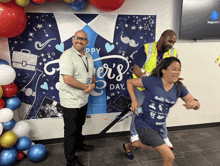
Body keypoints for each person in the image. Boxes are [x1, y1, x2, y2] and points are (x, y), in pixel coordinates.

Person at [123, 57, 200, 165]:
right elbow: (130, 82)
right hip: (143, 123)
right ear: (163, 70)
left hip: (157, 126)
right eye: (174, 69)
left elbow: (194, 102)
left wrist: (195, 104)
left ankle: (127, 146)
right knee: (169, 157)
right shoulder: (152, 81)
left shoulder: (179, 87)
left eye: (179, 70)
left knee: (143, 145)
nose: (177, 72)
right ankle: (130, 145)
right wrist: (134, 101)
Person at [130, 30, 178, 149]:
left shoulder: (173, 52)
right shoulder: (146, 48)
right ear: (162, 38)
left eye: (174, 42)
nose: (171, 45)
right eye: (169, 41)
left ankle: (164, 136)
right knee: (138, 111)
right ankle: (134, 135)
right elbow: (136, 69)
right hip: (142, 87)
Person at [59, 30, 96, 166]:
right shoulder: (67, 56)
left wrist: (93, 84)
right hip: (70, 101)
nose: (79, 40)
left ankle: (79, 145)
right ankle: (71, 160)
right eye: (77, 38)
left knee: (79, 125)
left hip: (83, 99)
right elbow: (67, 79)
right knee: (70, 131)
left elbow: (92, 74)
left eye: (83, 39)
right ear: (72, 39)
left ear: (87, 42)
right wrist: (86, 88)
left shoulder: (89, 57)